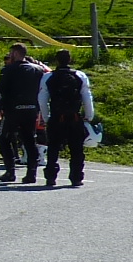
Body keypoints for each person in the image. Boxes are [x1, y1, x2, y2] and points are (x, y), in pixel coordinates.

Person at [37, 48, 95, 187]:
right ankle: (76, 177)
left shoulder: (48, 77)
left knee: (53, 148)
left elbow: (42, 99)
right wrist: (89, 116)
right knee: (76, 149)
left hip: (56, 117)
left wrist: (46, 117)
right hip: (74, 117)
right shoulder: (80, 75)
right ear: (70, 60)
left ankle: (51, 177)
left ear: (56, 60)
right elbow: (87, 97)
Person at [0, 42, 46, 184]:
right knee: (29, 140)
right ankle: (31, 173)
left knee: (4, 138)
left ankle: (10, 171)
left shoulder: (8, 69)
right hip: (31, 109)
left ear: (15, 53)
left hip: (13, 110)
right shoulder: (38, 70)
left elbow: (1, 91)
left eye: (11, 53)